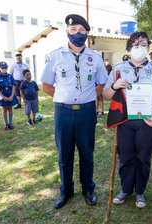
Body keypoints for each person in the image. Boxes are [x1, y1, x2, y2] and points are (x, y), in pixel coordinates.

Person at [41, 14, 108, 209]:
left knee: (87, 153)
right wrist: (64, 97)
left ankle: (88, 189)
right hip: (63, 112)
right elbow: (45, 85)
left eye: (81, 31)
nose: (77, 34)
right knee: (65, 154)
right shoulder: (55, 56)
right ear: (67, 32)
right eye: (73, 30)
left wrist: (90, 96)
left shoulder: (95, 58)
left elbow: (102, 82)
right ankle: (66, 191)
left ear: (87, 33)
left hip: (87, 112)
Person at [102, 31, 152, 208]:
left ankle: (140, 191)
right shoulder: (118, 68)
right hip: (124, 119)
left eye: (143, 44)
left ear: (148, 47)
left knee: (143, 157)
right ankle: (126, 189)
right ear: (129, 47)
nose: (139, 48)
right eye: (135, 44)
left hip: (147, 121)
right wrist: (114, 86)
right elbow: (105, 95)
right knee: (126, 156)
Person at [0, 62, 18, 130]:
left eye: (5, 68)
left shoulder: (10, 76)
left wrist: (12, 96)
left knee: (10, 108)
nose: (4, 69)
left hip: (10, 93)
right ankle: (6, 124)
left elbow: (13, 86)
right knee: (4, 109)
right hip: (2, 93)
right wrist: (3, 97)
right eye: (2, 68)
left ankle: (10, 123)